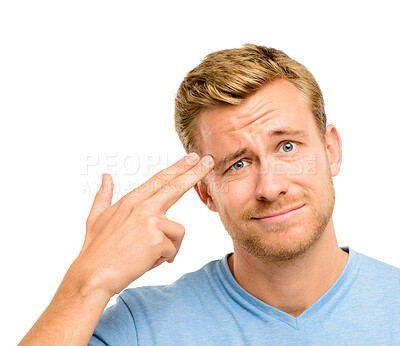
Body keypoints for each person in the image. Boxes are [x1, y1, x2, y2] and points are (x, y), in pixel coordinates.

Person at [20, 44, 400, 345]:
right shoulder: (139, 329)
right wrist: (88, 279)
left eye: (287, 147)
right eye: (238, 164)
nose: (270, 187)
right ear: (206, 193)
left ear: (330, 150)